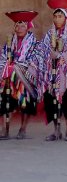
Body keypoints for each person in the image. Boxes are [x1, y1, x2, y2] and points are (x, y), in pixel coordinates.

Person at [36, 0, 67, 142]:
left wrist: (61, 56)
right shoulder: (49, 35)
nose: (57, 19)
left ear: (66, 18)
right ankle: (56, 131)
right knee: (52, 102)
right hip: (51, 74)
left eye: (60, 16)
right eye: (55, 16)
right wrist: (48, 57)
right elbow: (42, 51)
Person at [0, 11, 40, 140]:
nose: (19, 29)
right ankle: (5, 130)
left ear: (28, 27)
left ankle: (23, 129)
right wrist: (6, 67)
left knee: (25, 102)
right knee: (5, 100)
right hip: (9, 78)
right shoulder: (10, 42)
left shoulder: (34, 43)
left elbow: (35, 60)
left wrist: (18, 66)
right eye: (17, 26)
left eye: (22, 26)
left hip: (25, 78)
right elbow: (3, 57)